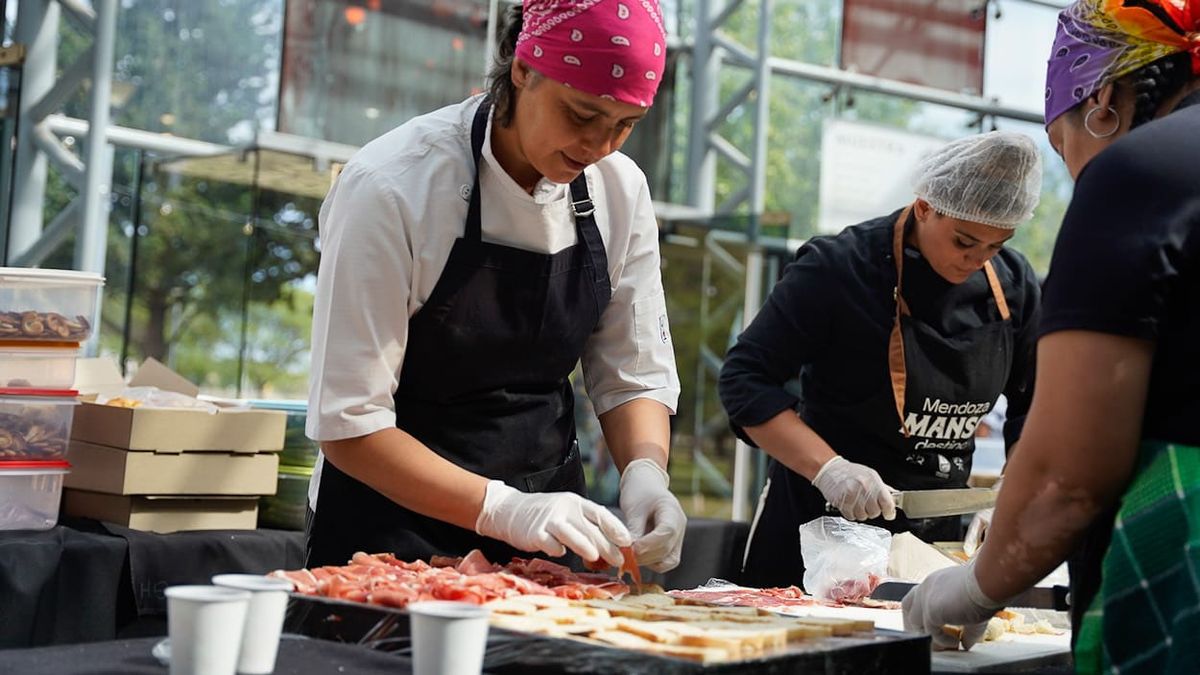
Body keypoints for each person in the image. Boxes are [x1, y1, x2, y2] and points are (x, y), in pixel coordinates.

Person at [304, 0, 687, 575]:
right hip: (385, 532)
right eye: (581, 115)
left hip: (548, 535)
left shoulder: (619, 190)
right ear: (524, 69)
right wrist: (503, 509)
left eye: (624, 125)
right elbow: (348, 423)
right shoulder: (392, 187)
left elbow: (632, 373)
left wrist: (646, 474)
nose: (598, 147)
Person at [901, 1, 1200, 670]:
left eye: (1063, 146)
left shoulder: (1140, 174)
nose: (1072, 169)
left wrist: (979, 584)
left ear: (1102, 102)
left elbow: (1070, 474)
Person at [719, 131, 1043, 589]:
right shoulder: (839, 267)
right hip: (817, 535)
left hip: (933, 546)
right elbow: (744, 380)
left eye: (996, 245)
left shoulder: (1015, 286)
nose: (977, 260)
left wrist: (1016, 486)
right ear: (925, 207)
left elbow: (1038, 403)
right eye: (964, 241)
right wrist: (831, 470)